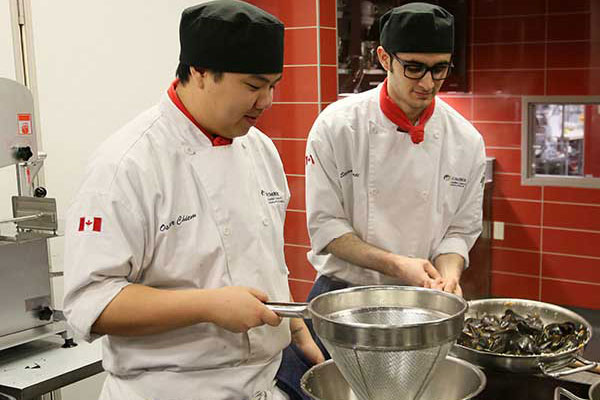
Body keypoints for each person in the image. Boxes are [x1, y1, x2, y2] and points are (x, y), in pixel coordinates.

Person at [63, 2, 322, 399]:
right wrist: (207, 305)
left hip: (263, 384)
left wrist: (296, 328)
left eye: (273, 85)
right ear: (200, 72)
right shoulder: (128, 164)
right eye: (253, 86)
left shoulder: (260, 150)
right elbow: (90, 303)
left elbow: (265, 261)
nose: (267, 101)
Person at [276, 3, 486, 398]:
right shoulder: (338, 126)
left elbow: (459, 230)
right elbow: (327, 229)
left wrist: (450, 273)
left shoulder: (466, 141)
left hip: (424, 310)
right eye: (414, 67)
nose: (428, 82)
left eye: (440, 68)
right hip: (342, 301)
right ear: (384, 58)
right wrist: (397, 265)